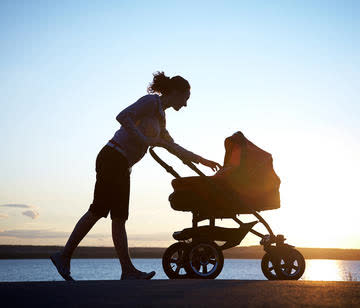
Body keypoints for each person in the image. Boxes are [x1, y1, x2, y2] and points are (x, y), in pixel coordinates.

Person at [50, 71, 222, 280]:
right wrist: (144, 140)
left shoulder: (161, 118)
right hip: (112, 156)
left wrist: (203, 160)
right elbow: (122, 116)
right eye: (185, 98)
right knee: (98, 210)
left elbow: (173, 147)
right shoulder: (150, 102)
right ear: (176, 92)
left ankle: (126, 270)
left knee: (119, 218)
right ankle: (64, 255)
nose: (185, 104)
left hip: (122, 164)